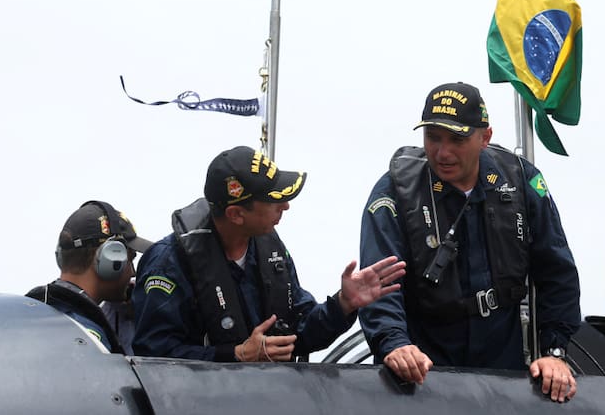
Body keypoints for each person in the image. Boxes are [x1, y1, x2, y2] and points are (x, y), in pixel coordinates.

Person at [358, 82, 581, 402]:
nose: (442, 152)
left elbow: (556, 270)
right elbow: (378, 280)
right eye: (433, 137)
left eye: (457, 139)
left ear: (485, 137)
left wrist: (554, 352)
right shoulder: (395, 191)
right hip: (421, 373)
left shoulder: (521, 182)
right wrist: (393, 343)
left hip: (501, 369)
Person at [132, 146, 406, 362]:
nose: (285, 206)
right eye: (273, 200)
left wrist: (343, 303)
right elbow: (152, 355)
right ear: (236, 214)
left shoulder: (269, 251)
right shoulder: (167, 263)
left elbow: (300, 333)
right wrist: (236, 355)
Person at [27, 200, 152, 355]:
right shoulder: (89, 341)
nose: (133, 273)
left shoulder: (38, 316)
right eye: (130, 259)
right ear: (111, 259)